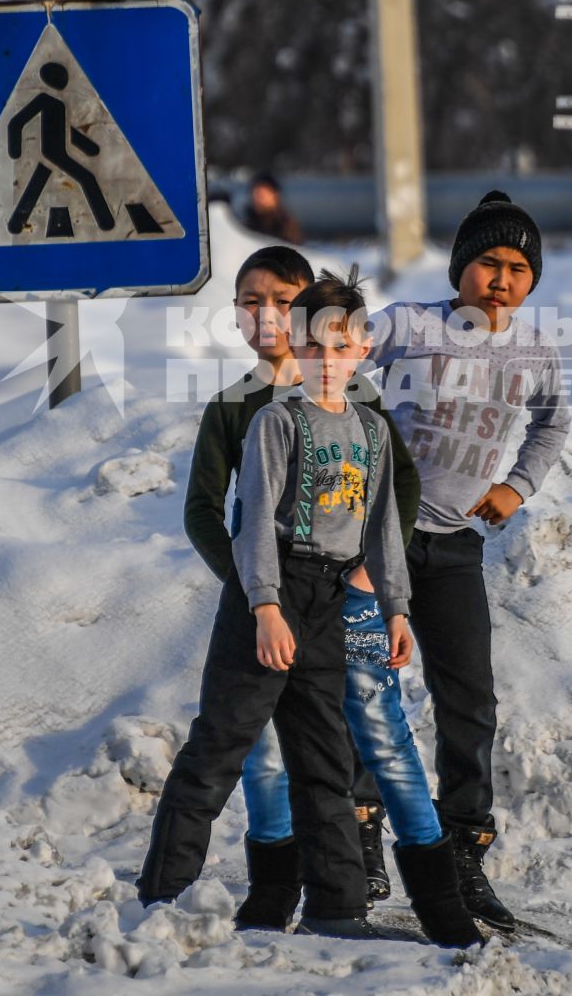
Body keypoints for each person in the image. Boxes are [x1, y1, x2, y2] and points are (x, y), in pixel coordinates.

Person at [139, 272, 416, 941]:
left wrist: (396, 606)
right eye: (314, 346)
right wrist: (263, 606)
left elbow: (380, 524)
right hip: (269, 591)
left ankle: (336, 907)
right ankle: (160, 898)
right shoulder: (273, 420)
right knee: (223, 744)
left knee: (325, 755)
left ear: (361, 349)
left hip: (328, 598)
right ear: (297, 347)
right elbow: (254, 519)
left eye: (342, 344)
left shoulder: (371, 430)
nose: (327, 358)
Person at [363, 190, 572, 933]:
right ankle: (359, 838)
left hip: (454, 547)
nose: (502, 279)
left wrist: (517, 487)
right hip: (373, 539)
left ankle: (462, 850)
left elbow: (553, 424)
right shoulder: (409, 325)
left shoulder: (534, 353)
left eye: (518, 268)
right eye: (489, 262)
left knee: (469, 701)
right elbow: (335, 366)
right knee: (367, 685)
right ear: (461, 268)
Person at [241, 172, 304, 244]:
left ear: (275, 196)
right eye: (256, 194)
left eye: (263, 195)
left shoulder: (287, 227)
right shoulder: (246, 225)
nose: (259, 199)